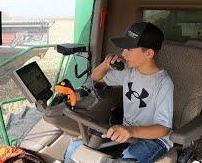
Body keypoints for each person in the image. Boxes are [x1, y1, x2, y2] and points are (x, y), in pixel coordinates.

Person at [65, 22, 174, 163]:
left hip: (154, 140)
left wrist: (131, 131)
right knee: (75, 149)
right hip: (126, 133)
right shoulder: (128, 72)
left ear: (149, 53)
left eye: (129, 49)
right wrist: (105, 65)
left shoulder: (163, 83)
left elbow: (163, 129)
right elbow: (96, 77)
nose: (123, 53)